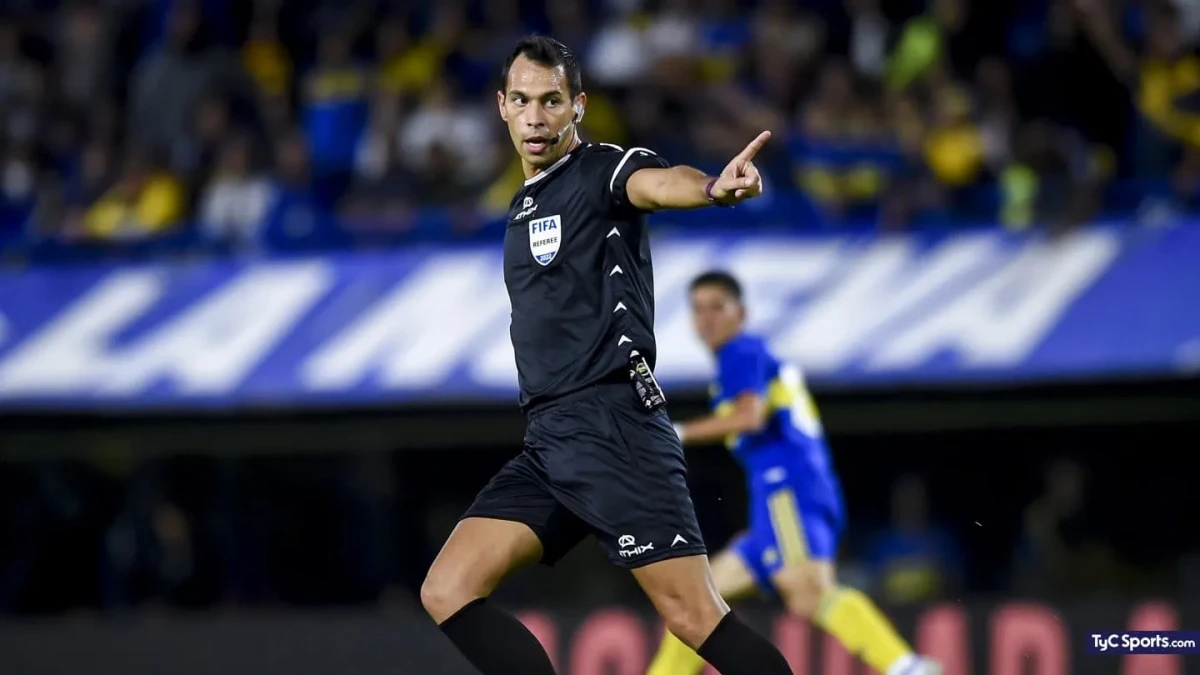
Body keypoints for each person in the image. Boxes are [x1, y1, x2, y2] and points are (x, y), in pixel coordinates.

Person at [419, 36, 794, 675]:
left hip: (614, 425)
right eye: (522, 101)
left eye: (551, 101)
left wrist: (710, 188)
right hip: (549, 440)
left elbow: (659, 183)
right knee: (447, 589)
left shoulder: (603, 170)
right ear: (501, 108)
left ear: (578, 107)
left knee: (695, 618)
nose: (536, 117)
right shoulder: (519, 206)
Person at [646, 271, 942, 675]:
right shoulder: (752, 357)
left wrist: (678, 433)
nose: (706, 319)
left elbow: (749, 418)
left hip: (786, 490)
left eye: (717, 307)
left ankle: (905, 666)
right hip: (789, 492)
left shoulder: (740, 352)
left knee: (809, 594)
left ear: (741, 313)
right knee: (694, 605)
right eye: (698, 309)